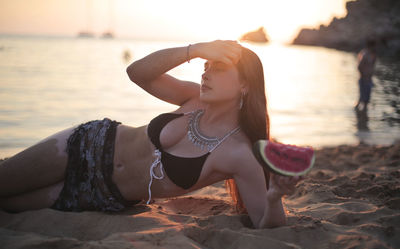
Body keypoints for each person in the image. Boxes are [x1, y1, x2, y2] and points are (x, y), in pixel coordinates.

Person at [0, 40, 304, 229]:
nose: (205, 73)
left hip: (100, 195)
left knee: (7, 204)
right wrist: (194, 49)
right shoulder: (193, 96)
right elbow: (137, 72)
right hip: (86, 146)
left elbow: (266, 223)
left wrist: (275, 194)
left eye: (218, 68)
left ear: (245, 85)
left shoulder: (240, 153)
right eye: (205, 66)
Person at [355, 39, 377, 112]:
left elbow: (372, 66)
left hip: (369, 79)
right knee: (362, 99)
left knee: (366, 100)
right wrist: (363, 76)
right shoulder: (364, 54)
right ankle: (359, 115)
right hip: (364, 79)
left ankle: (364, 116)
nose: (375, 48)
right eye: (374, 46)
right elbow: (359, 67)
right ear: (370, 46)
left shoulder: (372, 54)